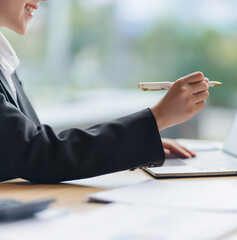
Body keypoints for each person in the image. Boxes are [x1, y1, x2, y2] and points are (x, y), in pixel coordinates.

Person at [0, 0, 210, 183]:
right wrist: (157, 118)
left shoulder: (5, 62)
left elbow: (28, 148)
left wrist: (137, 141)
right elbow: (39, 155)